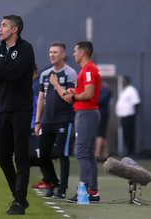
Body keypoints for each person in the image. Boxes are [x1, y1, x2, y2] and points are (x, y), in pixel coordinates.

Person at [0, 14, 35, 215]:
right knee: (3, 157)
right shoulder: (1, 50)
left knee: (20, 156)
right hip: (3, 110)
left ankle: (19, 201)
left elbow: (13, 74)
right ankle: (19, 196)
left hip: (21, 110)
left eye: (3, 25)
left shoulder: (25, 49)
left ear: (14, 30)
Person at [34, 42, 77, 199]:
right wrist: (37, 121)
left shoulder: (70, 73)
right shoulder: (45, 74)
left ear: (63, 54)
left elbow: (70, 99)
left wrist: (56, 84)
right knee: (43, 154)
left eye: (55, 52)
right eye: (50, 52)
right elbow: (40, 98)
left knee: (62, 153)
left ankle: (62, 188)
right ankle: (53, 182)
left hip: (63, 120)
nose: (52, 55)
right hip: (47, 121)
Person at [62, 41, 101, 203]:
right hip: (87, 112)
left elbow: (89, 94)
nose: (73, 54)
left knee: (81, 152)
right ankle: (92, 191)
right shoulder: (87, 70)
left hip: (86, 112)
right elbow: (85, 91)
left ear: (83, 53)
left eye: (75, 51)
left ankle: (83, 190)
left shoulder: (88, 69)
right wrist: (75, 91)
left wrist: (74, 96)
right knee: (89, 153)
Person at [30, 63, 50, 190]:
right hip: (33, 123)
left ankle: (48, 179)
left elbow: (40, 105)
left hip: (35, 124)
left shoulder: (36, 85)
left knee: (38, 153)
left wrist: (38, 122)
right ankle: (47, 179)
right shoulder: (35, 83)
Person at [115, 75, 141, 156]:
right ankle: (128, 150)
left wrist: (134, 114)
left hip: (129, 116)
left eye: (123, 81)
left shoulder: (131, 90)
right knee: (125, 134)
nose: (122, 83)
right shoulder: (123, 91)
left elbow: (136, 103)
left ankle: (131, 151)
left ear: (127, 81)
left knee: (130, 134)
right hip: (123, 116)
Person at [95, 81, 113, 162]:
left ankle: (97, 154)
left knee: (99, 133)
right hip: (102, 112)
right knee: (103, 134)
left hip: (102, 113)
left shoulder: (103, 89)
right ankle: (105, 154)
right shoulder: (103, 89)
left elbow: (101, 101)